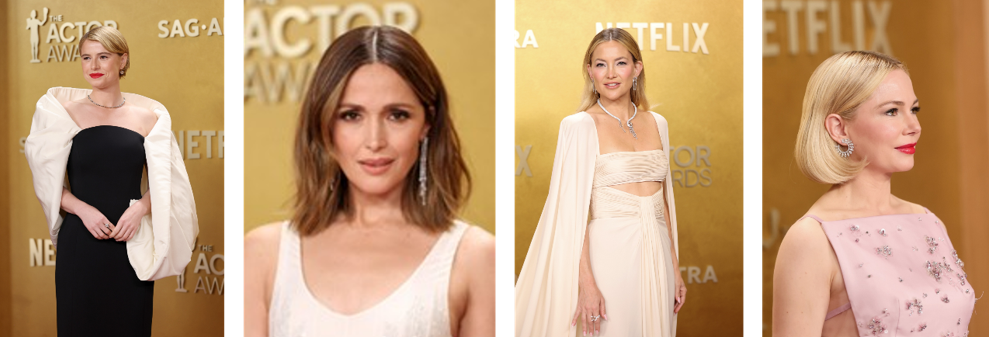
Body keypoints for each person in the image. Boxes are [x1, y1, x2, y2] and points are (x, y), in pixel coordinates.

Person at [244, 26, 495, 337]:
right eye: (351, 115)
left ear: (426, 123)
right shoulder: (263, 253)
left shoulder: (475, 257)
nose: (374, 141)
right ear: (324, 124)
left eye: (397, 115)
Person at [772, 51, 974, 336]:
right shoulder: (812, 239)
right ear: (839, 128)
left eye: (913, 110)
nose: (914, 127)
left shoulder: (928, 221)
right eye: (892, 111)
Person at [24, 26, 198, 337]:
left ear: (122, 60)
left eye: (103, 57)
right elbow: (46, 182)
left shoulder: (148, 118)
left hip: (130, 244)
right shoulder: (62, 114)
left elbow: (169, 182)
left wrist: (140, 209)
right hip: (80, 242)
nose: (93, 66)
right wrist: (82, 210)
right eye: (86, 57)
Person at [515, 28, 685, 337]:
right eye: (600, 64)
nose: (610, 73)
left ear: (637, 68)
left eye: (620, 63)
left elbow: (664, 201)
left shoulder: (658, 123)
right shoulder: (579, 126)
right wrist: (587, 284)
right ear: (590, 71)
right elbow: (570, 216)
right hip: (609, 257)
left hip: (657, 253)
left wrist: (674, 267)